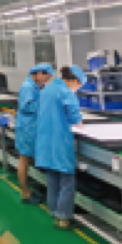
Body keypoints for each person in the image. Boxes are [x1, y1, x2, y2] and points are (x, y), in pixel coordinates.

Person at [35, 65, 85, 229]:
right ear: (74, 80)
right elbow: (74, 116)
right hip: (60, 141)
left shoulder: (47, 89)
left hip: (45, 141)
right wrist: (79, 122)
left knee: (52, 180)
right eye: (79, 85)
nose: (78, 88)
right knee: (66, 182)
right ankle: (63, 217)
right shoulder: (66, 92)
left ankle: (55, 212)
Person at [16, 63, 55, 205]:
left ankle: (28, 190)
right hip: (27, 128)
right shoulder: (28, 86)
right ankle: (25, 193)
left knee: (28, 159)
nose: (46, 81)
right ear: (39, 73)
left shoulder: (35, 86)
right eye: (46, 77)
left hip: (32, 127)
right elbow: (26, 106)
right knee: (24, 159)